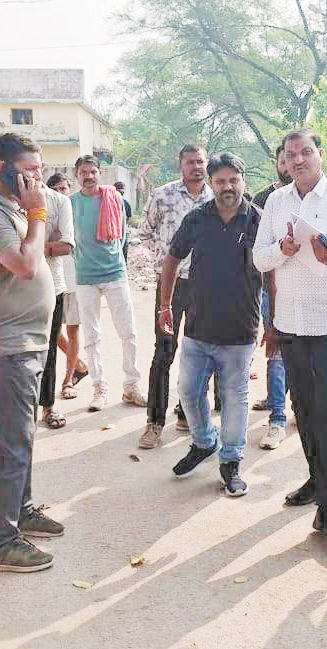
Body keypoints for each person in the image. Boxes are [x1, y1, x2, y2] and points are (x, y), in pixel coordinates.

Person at [254, 128, 327, 538]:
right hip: (290, 323)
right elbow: (259, 258)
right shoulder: (275, 201)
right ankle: (315, 480)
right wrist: (281, 251)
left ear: (320, 154)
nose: (299, 160)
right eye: (291, 155)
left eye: (306, 152)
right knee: (303, 408)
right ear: (284, 161)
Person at [0, 133, 66, 573]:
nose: (37, 179)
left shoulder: (14, 209)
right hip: (5, 346)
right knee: (11, 444)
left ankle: (20, 511)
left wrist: (33, 212)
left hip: (27, 343)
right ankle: (1, 543)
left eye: (40, 170)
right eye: (29, 171)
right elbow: (24, 266)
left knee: (21, 437)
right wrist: (38, 214)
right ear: (1, 169)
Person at [159, 153, 262, 496]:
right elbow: (172, 259)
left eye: (233, 180)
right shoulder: (197, 218)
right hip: (198, 326)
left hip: (240, 329)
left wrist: (275, 320)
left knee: (234, 398)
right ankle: (204, 442)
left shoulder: (258, 220)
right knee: (188, 391)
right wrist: (164, 306)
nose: (227, 187)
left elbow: (274, 271)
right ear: (211, 184)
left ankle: (231, 461)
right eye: (220, 181)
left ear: (243, 181)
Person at [138, 144, 216, 448]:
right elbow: (145, 232)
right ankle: (154, 423)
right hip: (170, 285)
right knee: (164, 351)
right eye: (190, 162)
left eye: (200, 161)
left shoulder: (215, 197)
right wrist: (165, 258)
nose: (196, 167)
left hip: (205, 287)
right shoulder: (163, 195)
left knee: (198, 353)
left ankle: (186, 412)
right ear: (180, 164)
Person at [72, 154, 146, 411]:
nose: (89, 176)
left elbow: (122, 235)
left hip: (115, 273)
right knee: (92, 337)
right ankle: (99, 388)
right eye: (83, 172)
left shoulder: (114, 199)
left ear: (99, 173)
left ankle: (131, 386)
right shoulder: (70, 204)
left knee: (129, 332)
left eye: (93, 171)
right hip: (85, 278)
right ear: (76, 175)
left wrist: (116, 260)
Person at [252, 152, 293, 450]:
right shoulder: (263, 199)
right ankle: (277, 417)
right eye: (285, 159)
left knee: (303, 352)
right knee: (276, 349)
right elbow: (258, 249)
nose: (290, 165)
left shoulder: (322, 198)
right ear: (277, 163)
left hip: (309, 291)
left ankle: (298, 406)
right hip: (271, 287)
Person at [34, 174, 77, 429]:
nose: (32, 173)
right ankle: (18, 414)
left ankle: (48, 406)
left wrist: (30, 248)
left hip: (52, 285)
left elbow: (66, 246)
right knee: (17, 353)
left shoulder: (59, 202)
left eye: (36, 167)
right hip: (15, 289)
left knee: (49, 350)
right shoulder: (7, 201)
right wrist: (48, 244)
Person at [114, 180, 133, 262]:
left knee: (123, 250)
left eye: (122, 192)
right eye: (119, 192)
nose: (121, 194)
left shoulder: (125, 203)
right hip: (112, 231)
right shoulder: (107, 203)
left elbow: (129, 217)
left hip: (123, 230)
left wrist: (123, 226)